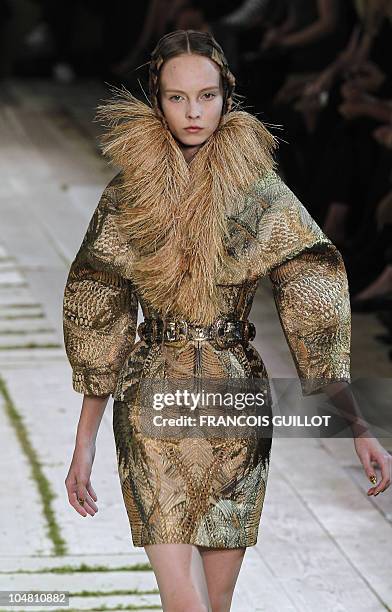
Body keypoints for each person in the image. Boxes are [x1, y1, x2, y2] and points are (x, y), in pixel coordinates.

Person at [63, 30, 391, 612]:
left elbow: (314, 298)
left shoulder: (259, 193)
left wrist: (359, 428)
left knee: (217, 604)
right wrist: (83, 442)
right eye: (176, 97)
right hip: (151, 400)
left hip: (232, 403)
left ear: (228, 97)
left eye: (207, 96)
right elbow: (101, 305)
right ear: (155, 99)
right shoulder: (130, 194)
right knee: (182, 602)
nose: (193, 112)